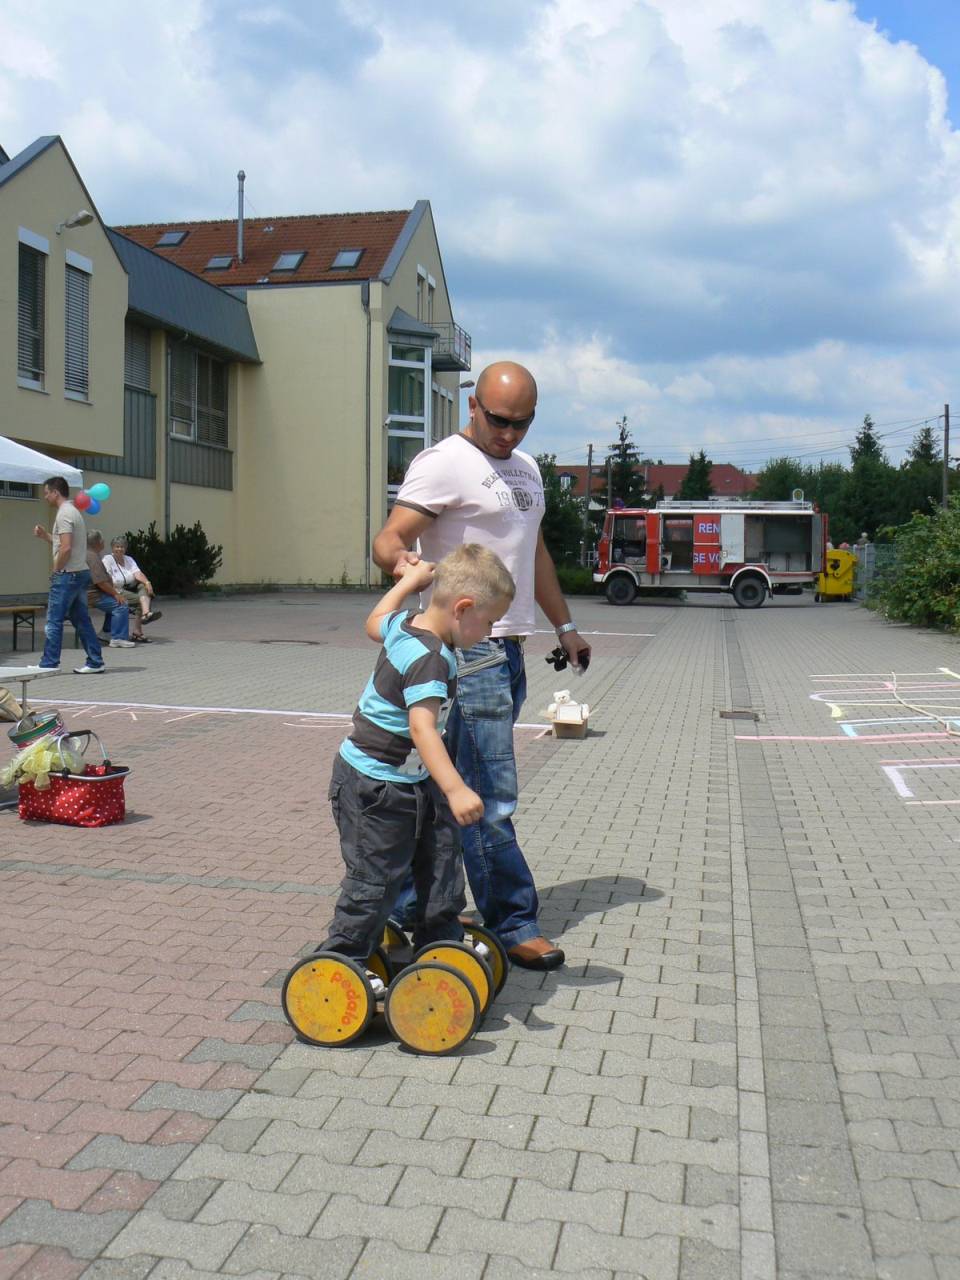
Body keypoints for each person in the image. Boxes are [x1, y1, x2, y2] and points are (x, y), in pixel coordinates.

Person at [372, 361, 592, 971]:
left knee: (451, 790)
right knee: (489, 795)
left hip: (510, 649)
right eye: (499, 421)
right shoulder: (444, 462)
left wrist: (565, 626)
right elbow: (389, 539)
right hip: (469, 651)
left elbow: (535, 552)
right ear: (473, 404)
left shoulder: (525, 471)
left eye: (522, 424)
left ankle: (412, 907)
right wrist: (404, 571)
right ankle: (513, 919)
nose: (509, 435)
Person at [318, 544, 515, 981]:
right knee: (376, 879)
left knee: (441, 859)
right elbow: (423, 729)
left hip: (411, 782)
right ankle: (342, 964)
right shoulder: (430, 658)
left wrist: (408, 583)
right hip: (375, 788)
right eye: (488, 622)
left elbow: (373, 623)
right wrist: (456, 788)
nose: (488, 633)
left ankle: (439, 942)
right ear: (463, 609)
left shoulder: (407, 623)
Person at [30, 476, 105, 674]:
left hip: (67, 575)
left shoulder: (64, 514)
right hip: (80, 573)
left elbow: (66, 548)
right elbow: (65, 544)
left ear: (56, 492)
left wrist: (56, 571)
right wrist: (46, 536)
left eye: (46, 493)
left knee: (54, 620)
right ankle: (95, 661)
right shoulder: (74, 512)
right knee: (81, 620)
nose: (45, 497)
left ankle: (49, 662)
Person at [102, 536, 161, 642]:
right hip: (116, 589)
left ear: (125, 548)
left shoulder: (128, 559)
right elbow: (107, 577)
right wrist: (114, 591)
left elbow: (137, 573)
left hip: (130, 587)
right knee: (141, 601)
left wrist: (148, 583)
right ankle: (140, 627)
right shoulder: (107, 559)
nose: (120, 549)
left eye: (122, 547)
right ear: (112, 548)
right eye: (117, 546)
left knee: (144, 587)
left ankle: (146, 613)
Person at [86, 532, 134, 648]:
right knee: (121, 604)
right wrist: (115, 594)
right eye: (102, 541)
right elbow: (100, 582)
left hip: (90, 593)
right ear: (98, 543)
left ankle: (107, 632)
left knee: (114, 602)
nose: (104, 543)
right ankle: (118, 638)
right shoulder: (93, 557)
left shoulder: (88, 554)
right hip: (93, 595)